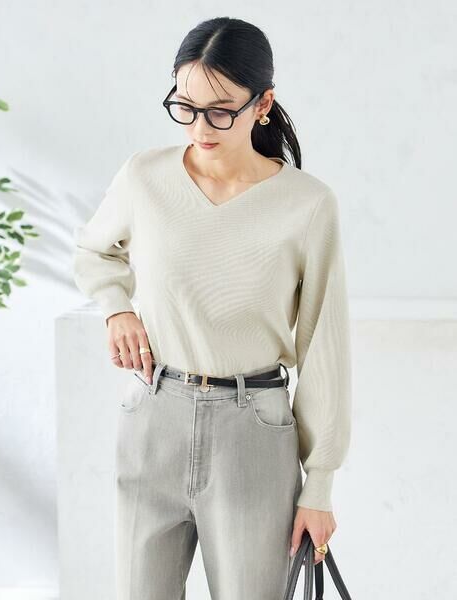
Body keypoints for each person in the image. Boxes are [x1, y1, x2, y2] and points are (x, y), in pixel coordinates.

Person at [73, 16, 352, 600]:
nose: (200, 127)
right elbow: (95, 249)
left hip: (254, 431)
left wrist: (319, 485)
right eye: (185, 106)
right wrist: (116, 308)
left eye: (221, 111)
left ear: (263, 103)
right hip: (154, 416)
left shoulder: (307, 205)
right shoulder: (145, 177)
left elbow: (323, 347)